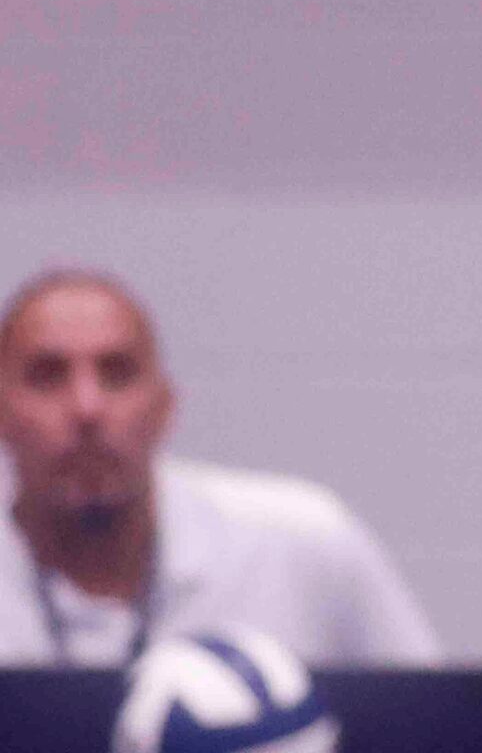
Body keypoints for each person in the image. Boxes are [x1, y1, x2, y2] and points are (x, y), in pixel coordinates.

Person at [0, 268, 442, 668]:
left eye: (117, 374)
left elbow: (437, 734)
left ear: (164, 407)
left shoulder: (301, 544)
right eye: (47, 376)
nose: (88, 408)